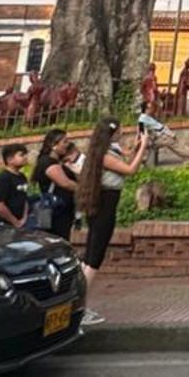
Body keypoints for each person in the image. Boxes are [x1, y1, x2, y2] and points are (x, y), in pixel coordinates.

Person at [74, 117, 150, 300]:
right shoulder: (105, 155)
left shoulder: (107, 151)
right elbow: (130, 169)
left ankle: (78, 302)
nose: (122, 133)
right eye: (120, 130)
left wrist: (136, 147)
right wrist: (144, 145)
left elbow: (126, 160)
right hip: (105, 206)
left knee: (91, 254)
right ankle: (79, 304)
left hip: (105, 205)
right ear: (112, 133)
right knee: (94, 258)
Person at [31, 128, 80, 239]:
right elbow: (65, 183)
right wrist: (84, 189)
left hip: (65, 208)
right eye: (65, 142)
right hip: (56, 210)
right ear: (53, 144)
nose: (67, 145)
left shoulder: (60, 161)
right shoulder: (47, 162)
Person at [0, 143, 32, 229]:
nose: (25, 157)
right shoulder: (3, 179)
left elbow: (24, 198)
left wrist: (24, 218)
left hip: (19, 223)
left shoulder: (22, 177)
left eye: (26, 154)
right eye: (21, 155)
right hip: (0, 226)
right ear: (10, 159)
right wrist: (15, 222)